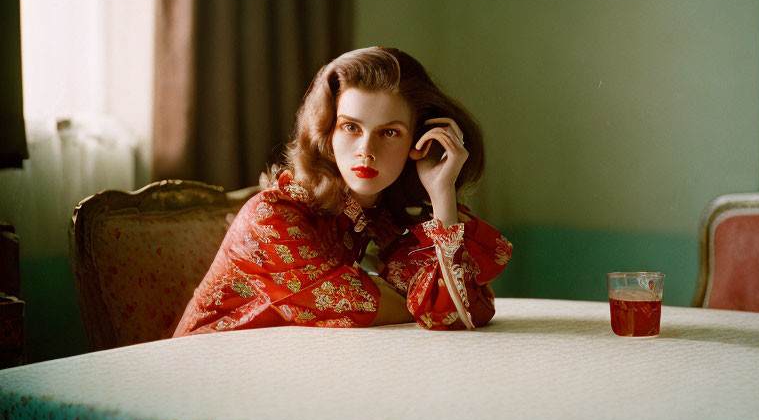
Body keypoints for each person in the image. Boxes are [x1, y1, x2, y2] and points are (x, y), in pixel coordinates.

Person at [173, 47, 512, 335]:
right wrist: (407, 297)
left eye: (390, 133)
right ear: (327, 133)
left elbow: (458, 312)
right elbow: (370, 308)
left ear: (417, 141)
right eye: (351, 127)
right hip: (206, 377)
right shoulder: (271, 217)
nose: (367, 150)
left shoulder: (373, 215)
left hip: (292, 375)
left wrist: (442, 194)